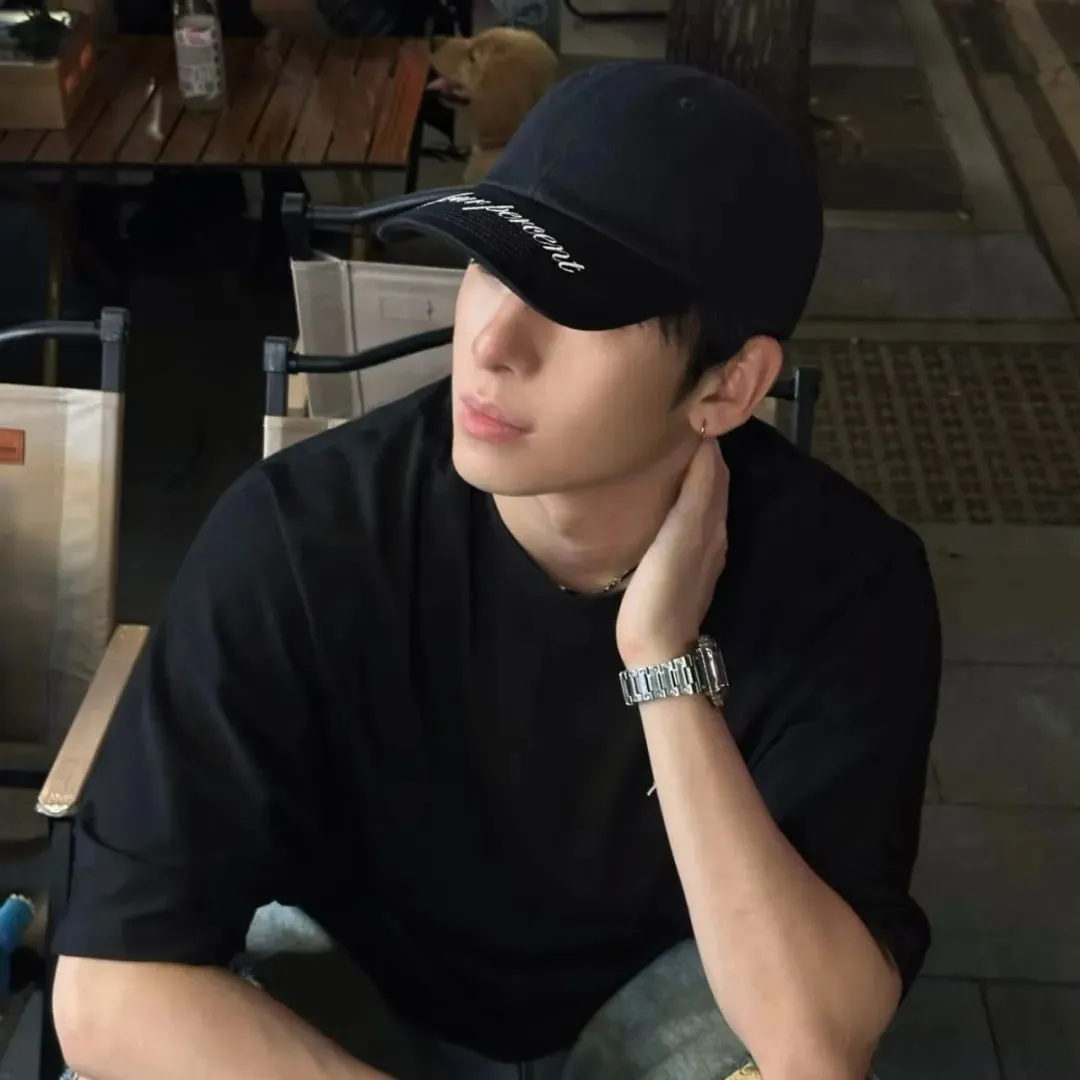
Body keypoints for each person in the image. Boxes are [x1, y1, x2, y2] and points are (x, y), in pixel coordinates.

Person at [51, 61, 941, 1080]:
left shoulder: (848, 584)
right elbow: (106, 988)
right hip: (347, 1012)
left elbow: (815, 1042)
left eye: (580, 303)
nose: (492, 341)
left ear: (728, 387)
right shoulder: (303, 534)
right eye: (489, 263)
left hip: (657, 1026)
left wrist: (662, 664)